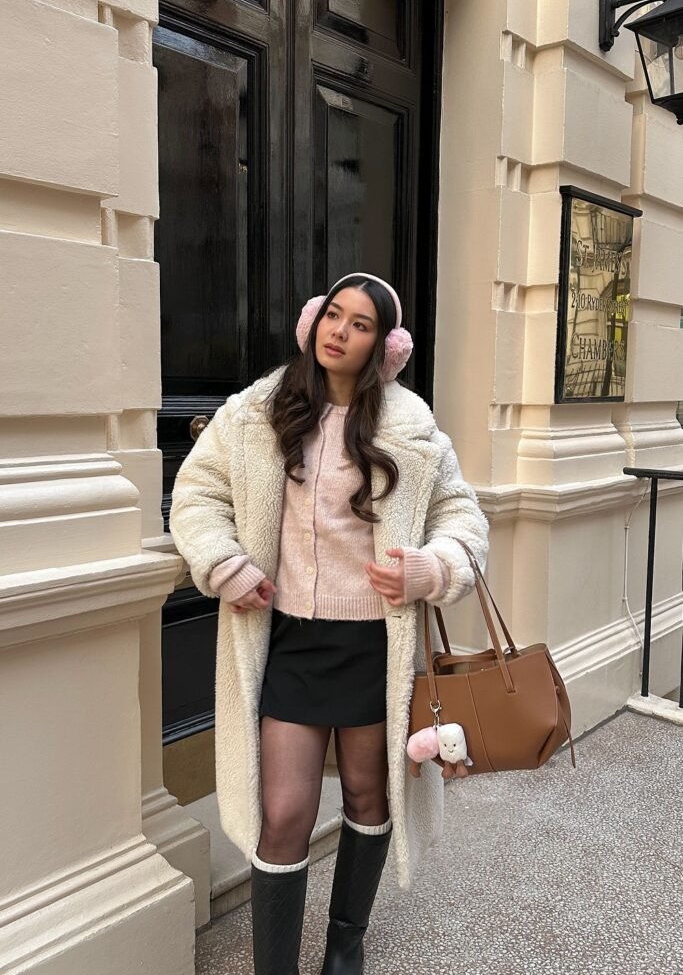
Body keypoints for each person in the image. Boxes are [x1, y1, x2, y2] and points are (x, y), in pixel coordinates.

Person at [169, 273, 489, 975]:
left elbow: (462, 518)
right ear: (312, 323)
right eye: (331, 315)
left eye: (360, 323)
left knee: (371, 795)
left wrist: (428, 568)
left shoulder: (410, 426)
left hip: (375, 642)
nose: (338, 331)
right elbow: (196, 495)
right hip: (287, 639)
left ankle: (345, 947)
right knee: (282, 815)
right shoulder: (256, 410)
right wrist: (224, 563)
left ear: (385, 345)